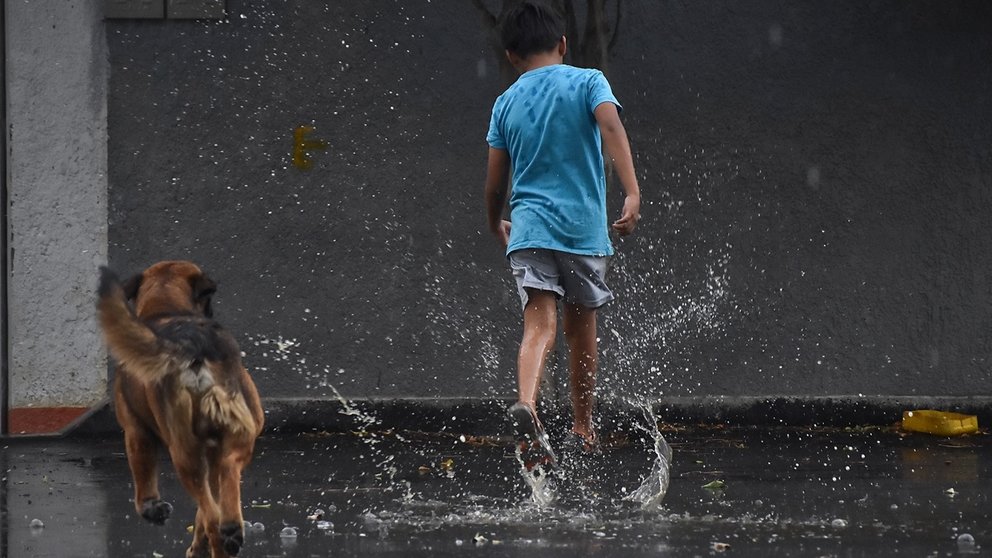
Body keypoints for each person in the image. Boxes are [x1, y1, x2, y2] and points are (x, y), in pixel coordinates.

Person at [483, 1, 641, 467]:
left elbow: (495, 181)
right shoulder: (588, 80)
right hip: (581, 232)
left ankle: (527, 407)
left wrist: (495, 221)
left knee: (539, 326)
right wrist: (631, 191)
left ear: (511, 55)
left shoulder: (505, 102)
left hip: (529, 232)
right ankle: (583, 426)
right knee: (582, 331)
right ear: (563, 44)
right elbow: (611, 124)